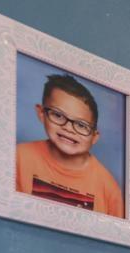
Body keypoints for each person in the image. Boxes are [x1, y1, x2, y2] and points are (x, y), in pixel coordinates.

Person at [15, 72, 124, 217]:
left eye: (81, 125)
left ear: (94, 137)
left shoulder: (109, 189)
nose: (68, 128)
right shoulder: (18, 157)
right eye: (58, 115)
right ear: (41, 113)